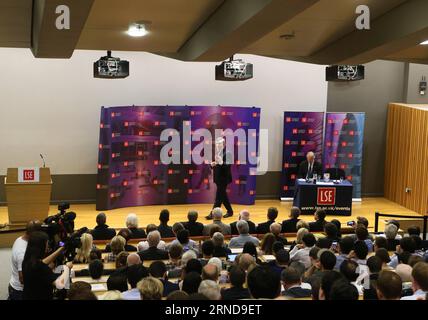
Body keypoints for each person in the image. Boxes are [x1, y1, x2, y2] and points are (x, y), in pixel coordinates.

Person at [22, 231, 73, 300]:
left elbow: (43, 262)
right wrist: (67, 268)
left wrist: (61, 249)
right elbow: (59, 284)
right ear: (41, 246)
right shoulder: (41, 268)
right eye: (47, 243)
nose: (48, 245)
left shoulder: (27, 261)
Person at [8, 220, 41, 300]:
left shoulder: (20, 239)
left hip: (16, 288)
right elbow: (22, 279)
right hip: (20, 292)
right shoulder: (22, 253)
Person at [206, 137, 234, 219]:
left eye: (220, 144)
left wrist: (221, 162)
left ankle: (212, 214)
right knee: (223, 195)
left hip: (223, 178)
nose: (218, 145)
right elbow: (218, 165)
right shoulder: (218, 152)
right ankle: (230, 211)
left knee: (218, 197)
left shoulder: (228, 153)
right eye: (217, 144)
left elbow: (228, 165)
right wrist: (212, 165)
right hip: (218, 178)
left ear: (224, 144)